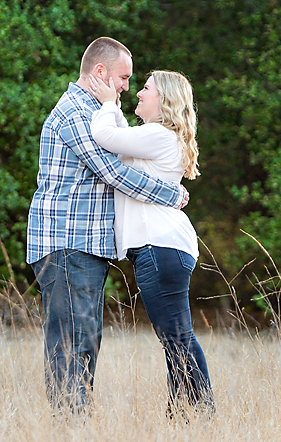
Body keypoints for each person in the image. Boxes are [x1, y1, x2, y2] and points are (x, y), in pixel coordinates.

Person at [26, 37, 188, 414]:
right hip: (67, 243)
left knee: (85, 337)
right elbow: (111, 170)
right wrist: (170, 193)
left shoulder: (96, 111)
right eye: (123, 77)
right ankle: (71, 428)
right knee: (73, 340)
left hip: (86, 246)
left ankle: (75, 427)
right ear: (100, 72)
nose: (127, 88)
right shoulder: (75, 113)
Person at [88, 70, 214, 417]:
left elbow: (104, 135)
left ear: (165, 100)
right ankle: (182, 415)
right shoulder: (153, 136)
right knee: (174, 337)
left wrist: (109, 102)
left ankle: (202, 412)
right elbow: (121, 137)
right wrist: (112, 107)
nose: (138, 94)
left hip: (159, 247)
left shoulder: (158, 134)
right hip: (164, 247)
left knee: (176, 337)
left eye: (146, 89)